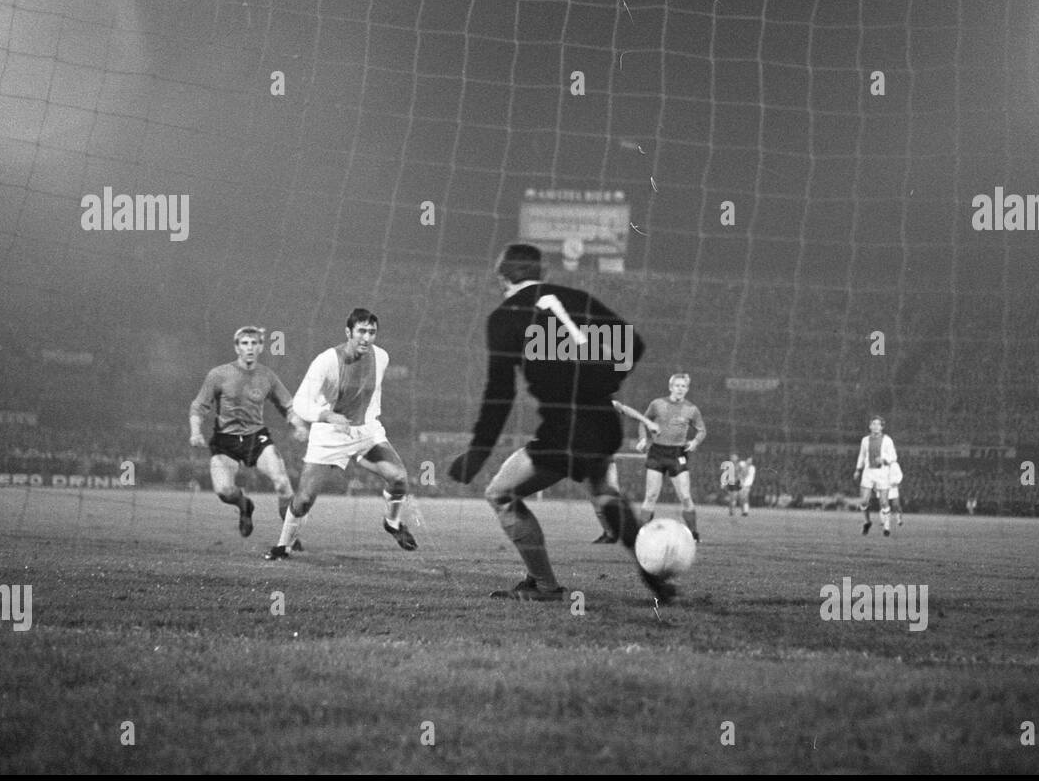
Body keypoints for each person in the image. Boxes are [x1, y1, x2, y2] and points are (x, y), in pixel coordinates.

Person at [448, 243, 674, 602]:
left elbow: (499, 393)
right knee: (604, 491)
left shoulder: (505, 316)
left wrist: (477, 453)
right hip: (602, 420)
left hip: (564, 424)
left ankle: (545, 586)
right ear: (543, 273)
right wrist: (603, 382)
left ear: (501, 276)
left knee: (501, 493)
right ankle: (654, 577)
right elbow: (634, 344)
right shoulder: (575, 296)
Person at [267, 308, 416, 560]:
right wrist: (327, 415)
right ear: (348, 332)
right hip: (330, 434)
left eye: (372, 332)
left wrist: (367, 421)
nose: (367, 338)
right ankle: (283, 546)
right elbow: (300, 403)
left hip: (366, 431)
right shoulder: (326, 361)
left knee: (399, 478)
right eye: (361, 331)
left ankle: (392, 523)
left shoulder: (382, 357)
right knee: (303, 500)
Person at [188, 327, 296, 539]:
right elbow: (199, 406)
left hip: (256, 437)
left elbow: (288, 405)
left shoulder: (268, 376)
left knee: (283, 483)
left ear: (261, 347)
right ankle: (244, 505)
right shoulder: (218, 375)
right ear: (237, 347)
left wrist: (298, 425)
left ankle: (290, 538)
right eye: (245, 343)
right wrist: (195, 432)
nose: (250, 348)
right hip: (225, 440)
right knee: (224, 491)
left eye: (254, 343)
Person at [637, 373, 706, 540]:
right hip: (657, 452)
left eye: (683, 386)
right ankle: (640, 534)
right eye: (677, 385)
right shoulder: (657, 404)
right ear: (671, 387)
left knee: (685, 496)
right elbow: (642, 421)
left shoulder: (691, 409)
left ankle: (694, 534)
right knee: (651, 495)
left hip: (677, 454)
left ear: (687, 389)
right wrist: (643, 439)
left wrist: (695, 442)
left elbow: (702, 430)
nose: (680, 389)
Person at [589, 400, 660, 543]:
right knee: (596, 499)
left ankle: (635, 526)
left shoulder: (605, 401)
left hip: (604, 458)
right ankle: (610, 533)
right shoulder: (580, 405)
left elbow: (626, 409)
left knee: (610, 496)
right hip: (587, 458)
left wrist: (647, 422)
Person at [855, 415, 899, 536]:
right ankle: (867, 521)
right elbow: (862, 455)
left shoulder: (887, 440)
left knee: (884, 502)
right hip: (868, 472)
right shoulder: (865, 440)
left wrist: (884, 459)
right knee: (863, 501)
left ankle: (887, 526)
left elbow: (894, 457)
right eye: (873, 424)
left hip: (882, 473)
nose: (875, 426)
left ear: (882, 427)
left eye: (878, 424)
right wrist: (858, 469)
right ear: (870, 426)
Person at [725, 452, 757, 516]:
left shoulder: (752, 468)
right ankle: (734, 512)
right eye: (748, 460)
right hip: (737, 483)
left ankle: (745, 512)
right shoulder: (741, 464)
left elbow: (744, 474)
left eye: (750, 460)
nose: (749, 461)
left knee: (743, 498)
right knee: (735, 498)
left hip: (746, 485)